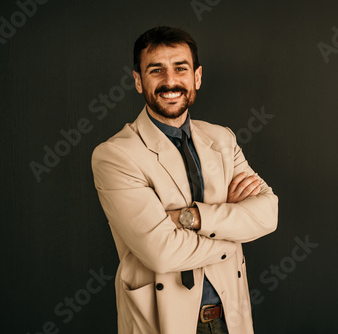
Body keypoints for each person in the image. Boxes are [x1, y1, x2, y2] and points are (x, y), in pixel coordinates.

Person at [91, 26, 278, 334]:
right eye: (156, 70)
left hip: (230, 317)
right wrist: (233, 231)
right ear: (138, 81)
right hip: (164, 320)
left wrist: (189, 218)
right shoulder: (115, 155)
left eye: (180, 68)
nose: (170, 81)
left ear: (197, 77)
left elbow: (268, 214)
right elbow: (161, 251)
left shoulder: (222, 139)